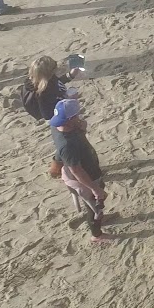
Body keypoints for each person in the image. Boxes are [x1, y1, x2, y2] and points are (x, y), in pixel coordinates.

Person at [49, 99, 109, 244]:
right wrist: (95, 189)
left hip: (81, 172)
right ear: (70, 120)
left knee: (96, 200)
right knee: (95, 210)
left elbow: (59, 155)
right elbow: (77, 171)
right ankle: (97, 235)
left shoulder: (56, 126)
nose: (79, 117)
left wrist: (81, 128)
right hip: (83, 180)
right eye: (76, 115)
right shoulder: (67, 145)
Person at [27, 56, 80, 177]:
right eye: (54, 68)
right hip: (59, 120)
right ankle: (56, 169)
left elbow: (58, 83)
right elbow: (47, 114)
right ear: (49, 73)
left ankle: (57, 167)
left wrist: (70, 75)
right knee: (66, 143)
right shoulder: (43, 92)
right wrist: (66, 101)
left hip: (65, 114)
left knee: (68, 141)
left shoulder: (50, 80)